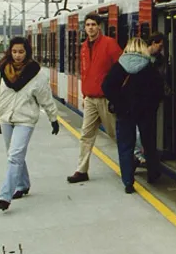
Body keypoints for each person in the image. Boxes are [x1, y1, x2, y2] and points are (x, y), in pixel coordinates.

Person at [0, 36, 60, 211]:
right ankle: (23, 184)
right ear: (9, 52)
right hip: (5, 117)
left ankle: (5, 195)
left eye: (21, 52)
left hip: (26, 119)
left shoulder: (36, 73)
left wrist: (53, 118)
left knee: (15, 155)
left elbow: (45, 97)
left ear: (27, 52)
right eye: (14, 51)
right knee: (13, 154)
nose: (17, 55)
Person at [102, 37, 164, 193]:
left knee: (125, 146)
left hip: (125, 113)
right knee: (148, 143)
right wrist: (151, 106)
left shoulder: (119, 66)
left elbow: (106, 86)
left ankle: (128, 182)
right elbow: (159, 90)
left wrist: (119, 103)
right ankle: (152, 174)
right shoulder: (149, 67)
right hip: (145, 113)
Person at [67, 12, 122, 184]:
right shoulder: (84, 47)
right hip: (90, 98)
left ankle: (132, 159)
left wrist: (115, 94)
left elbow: (121, 68)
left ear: (99, 26)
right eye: (88, 25)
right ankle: (81, 170)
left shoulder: (109, 44)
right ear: (85, 28)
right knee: (86, 135)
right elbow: (85, 72)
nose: (90, 28)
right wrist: (84, 95)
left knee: (115, 134)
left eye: (93, 25)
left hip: (106, 98)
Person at [134, 31, 167, 167]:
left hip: (152, 101)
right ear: (153, 43)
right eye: (160, 46)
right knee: (139, 129)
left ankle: (146, 155)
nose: (161, 49)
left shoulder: (160, 59)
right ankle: (138, 154)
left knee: (148, 130)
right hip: (140, 100)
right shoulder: (140, 57)